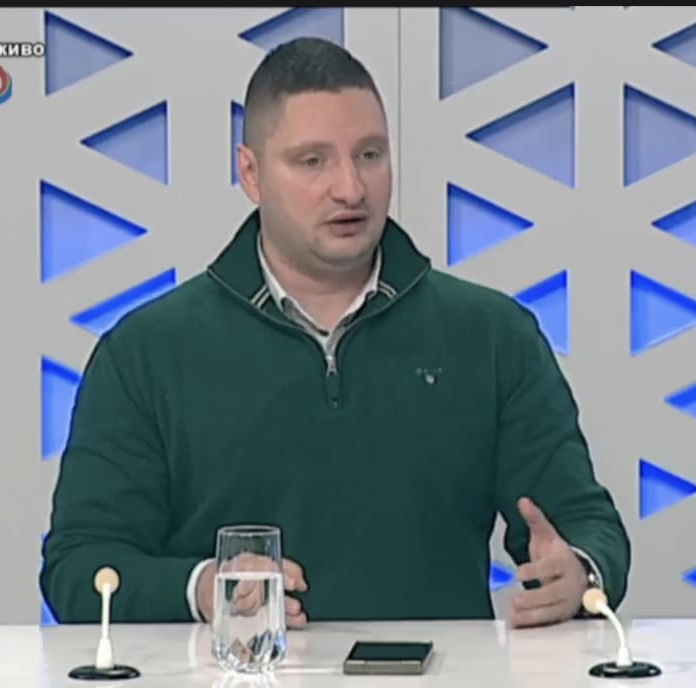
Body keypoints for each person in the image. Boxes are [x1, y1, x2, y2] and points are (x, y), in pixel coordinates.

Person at [40, 37, 631, 630]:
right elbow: (80, 568)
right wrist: (202, 589)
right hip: (234, 672)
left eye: (370, 155)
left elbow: (587, 526)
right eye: (313, 161)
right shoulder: (146, 353)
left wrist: (579, 573)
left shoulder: (493, 336)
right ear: (251, 173)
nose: (351, 188)